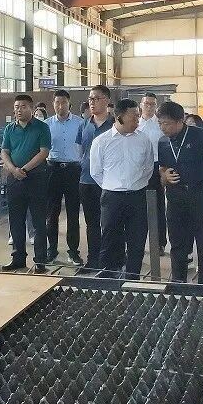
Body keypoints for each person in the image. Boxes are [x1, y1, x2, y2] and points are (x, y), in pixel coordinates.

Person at [157, 101, 203, 284]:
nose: (163, 127)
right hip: (175, 197)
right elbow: (162, 168)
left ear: (180, 121)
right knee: (177, 243)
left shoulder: (200, 136)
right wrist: (164, 175)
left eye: (167, 123)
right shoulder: (163, 142)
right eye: (160, 123)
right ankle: (178, 283)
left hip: (200, 195)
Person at [90, 99, 154, 279]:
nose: (137, 120)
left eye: (138, 116)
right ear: (119, 117)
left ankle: (132, 277)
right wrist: (113, 186)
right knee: (110, 238)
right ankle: (108, 276)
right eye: (134, 116)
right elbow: (96, 172)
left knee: (137, 239)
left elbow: (148, 168)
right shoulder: (101, 142)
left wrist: (135, 185)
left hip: (137, 197)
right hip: (112, 198)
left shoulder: (144, 139)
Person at [1, 94, 52, 272]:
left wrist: (24, 169)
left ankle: (40, 261)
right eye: (16, 107)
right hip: (14, 180)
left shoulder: (42, 127)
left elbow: (44, 152)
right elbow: (4, 152)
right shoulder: (10, 128)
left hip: (36, 179)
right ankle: (18, 258)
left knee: (38, 221)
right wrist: (13, 170)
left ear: (31, 108)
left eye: (23, 106)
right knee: (16, 220)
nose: (19, 110)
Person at [77, 85, 115, 274]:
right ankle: (93, 260)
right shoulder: (84, 124)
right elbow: (80, 150)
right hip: (87, 181)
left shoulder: (115, 125)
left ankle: (110, 262)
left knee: (110, 223)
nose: (92, 102)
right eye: (90, 99)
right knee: (91, 223)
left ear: (107, 101)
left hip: (110, 182)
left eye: (96, 99)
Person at [45, 90, 84, 265]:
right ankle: (51, 250)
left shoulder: (80, 123)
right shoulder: (46, 124)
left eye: (64, 102)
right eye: (57, 102)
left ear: (69, 104)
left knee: (73, 213)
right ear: (53, 104)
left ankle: (73, 252)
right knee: (51, 213)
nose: (60, 106)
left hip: (73, 170)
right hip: (53, 170)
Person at [137, 92, 167, 254]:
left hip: (157, 168)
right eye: (146, 103)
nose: (149, 106)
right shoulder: (135, 123)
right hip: (138, 168)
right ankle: (138, 243)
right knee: (139, 207)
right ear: (141, 105)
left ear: (156, 106)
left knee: (158, 207)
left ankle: (160, 243)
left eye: (152, 104)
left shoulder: (161, 124)